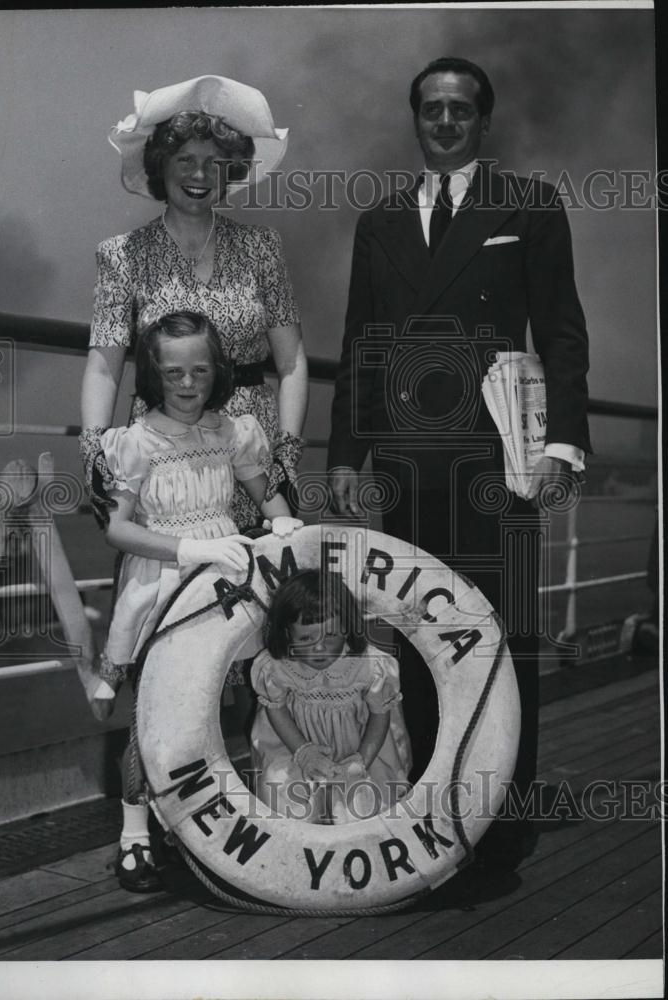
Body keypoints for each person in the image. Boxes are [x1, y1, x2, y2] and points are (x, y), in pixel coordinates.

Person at [327, 58, 590, 868]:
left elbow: (563, 333)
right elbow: (359, 344)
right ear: (417, 120)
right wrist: (345, 453)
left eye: (461, 111)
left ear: (484, 122)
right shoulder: (380, 223)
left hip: (496, 457)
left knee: (504, 633)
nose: (445, 123)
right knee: (418, 633)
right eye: (432, 110)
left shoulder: (531, 207)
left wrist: (561, 444)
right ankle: (433, 807)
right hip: (409, 460)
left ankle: (502, 816)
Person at [92, 310, 302, 891]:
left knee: (226, 706)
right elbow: (117, 529)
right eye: (175, 372)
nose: (188, 383)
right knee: (151, 712)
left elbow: (267, 495)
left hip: (227, 581)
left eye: (200, 371)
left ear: (218, 371)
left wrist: (283, 525)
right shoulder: (133, 443)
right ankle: (136, 835)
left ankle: (218, 827)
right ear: (155, 373)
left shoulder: (231, 432)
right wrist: (188, 549)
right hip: (163, 579)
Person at [80, 76, 308, 535]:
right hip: (162, 446)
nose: (199, 175)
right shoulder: (124, 254)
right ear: (161, 166)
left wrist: (286, 451)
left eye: (214, 162)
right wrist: (95, 452)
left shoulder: (261, 247)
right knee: (173, 580)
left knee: (262, 583)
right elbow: (104, 367)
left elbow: (292, 362)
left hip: (253, 453)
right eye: (185, 159)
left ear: (233, 170)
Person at [250, 570, 412, 824]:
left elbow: (380, 717)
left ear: (347, 629)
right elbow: (276, 709)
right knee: (284, 796)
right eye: (306, 637)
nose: (319, 647)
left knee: (365, 804)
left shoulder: (370, 666)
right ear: (286, 634)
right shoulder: (277, 665)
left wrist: (361, 762)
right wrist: (303, 752)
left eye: (331, 635)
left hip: (359, 742)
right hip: (295, 739)